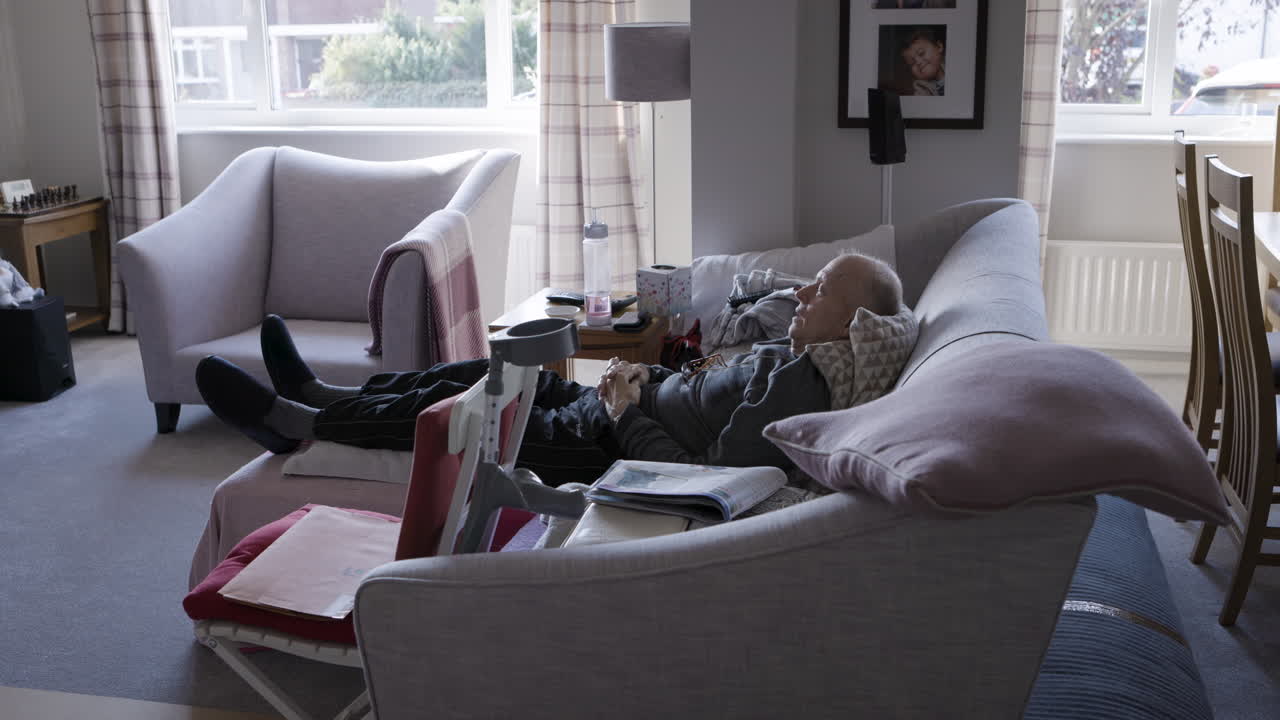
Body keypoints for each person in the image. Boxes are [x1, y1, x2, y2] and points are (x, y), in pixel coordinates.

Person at [196, 252, 907, 486]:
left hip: (600, 445)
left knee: (461, 417)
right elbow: (696, 392)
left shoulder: (799, 388)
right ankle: (325, 393)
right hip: (617, 405)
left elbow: (707, 474)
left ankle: (299, 424)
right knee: (475, 369)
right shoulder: (795, 353)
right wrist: (642, 383)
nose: (802, 294)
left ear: (851, 324)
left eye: (821, 292)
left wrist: (627, 412)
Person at [900, 29, 945, 96]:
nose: (918, 62)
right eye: (912, 63)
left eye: (921, 53)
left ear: (939, 47)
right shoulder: (920, 92)